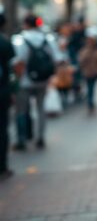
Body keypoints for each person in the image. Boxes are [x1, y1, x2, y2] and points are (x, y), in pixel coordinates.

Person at [12, 14, 61, 150]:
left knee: (21, 111)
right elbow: (57, 58)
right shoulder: (47, 39)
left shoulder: (20, 40)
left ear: (26, 24)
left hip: (24, 81)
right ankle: (40, 137)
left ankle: (22, 139)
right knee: (41, 109)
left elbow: (17, 62)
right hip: (43, 81)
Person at [0, 8, 15, 179]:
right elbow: (12, 68)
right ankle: (2, 165)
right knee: (3, 128)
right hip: (3, 92)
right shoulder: (5, 43)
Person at [78, 37, 97, 112]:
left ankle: (90, 102)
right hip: (87, 73)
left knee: (92, 88)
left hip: (95, 72)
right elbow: (81, 61)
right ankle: (90, 102)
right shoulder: (85, 51)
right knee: (90, 88)